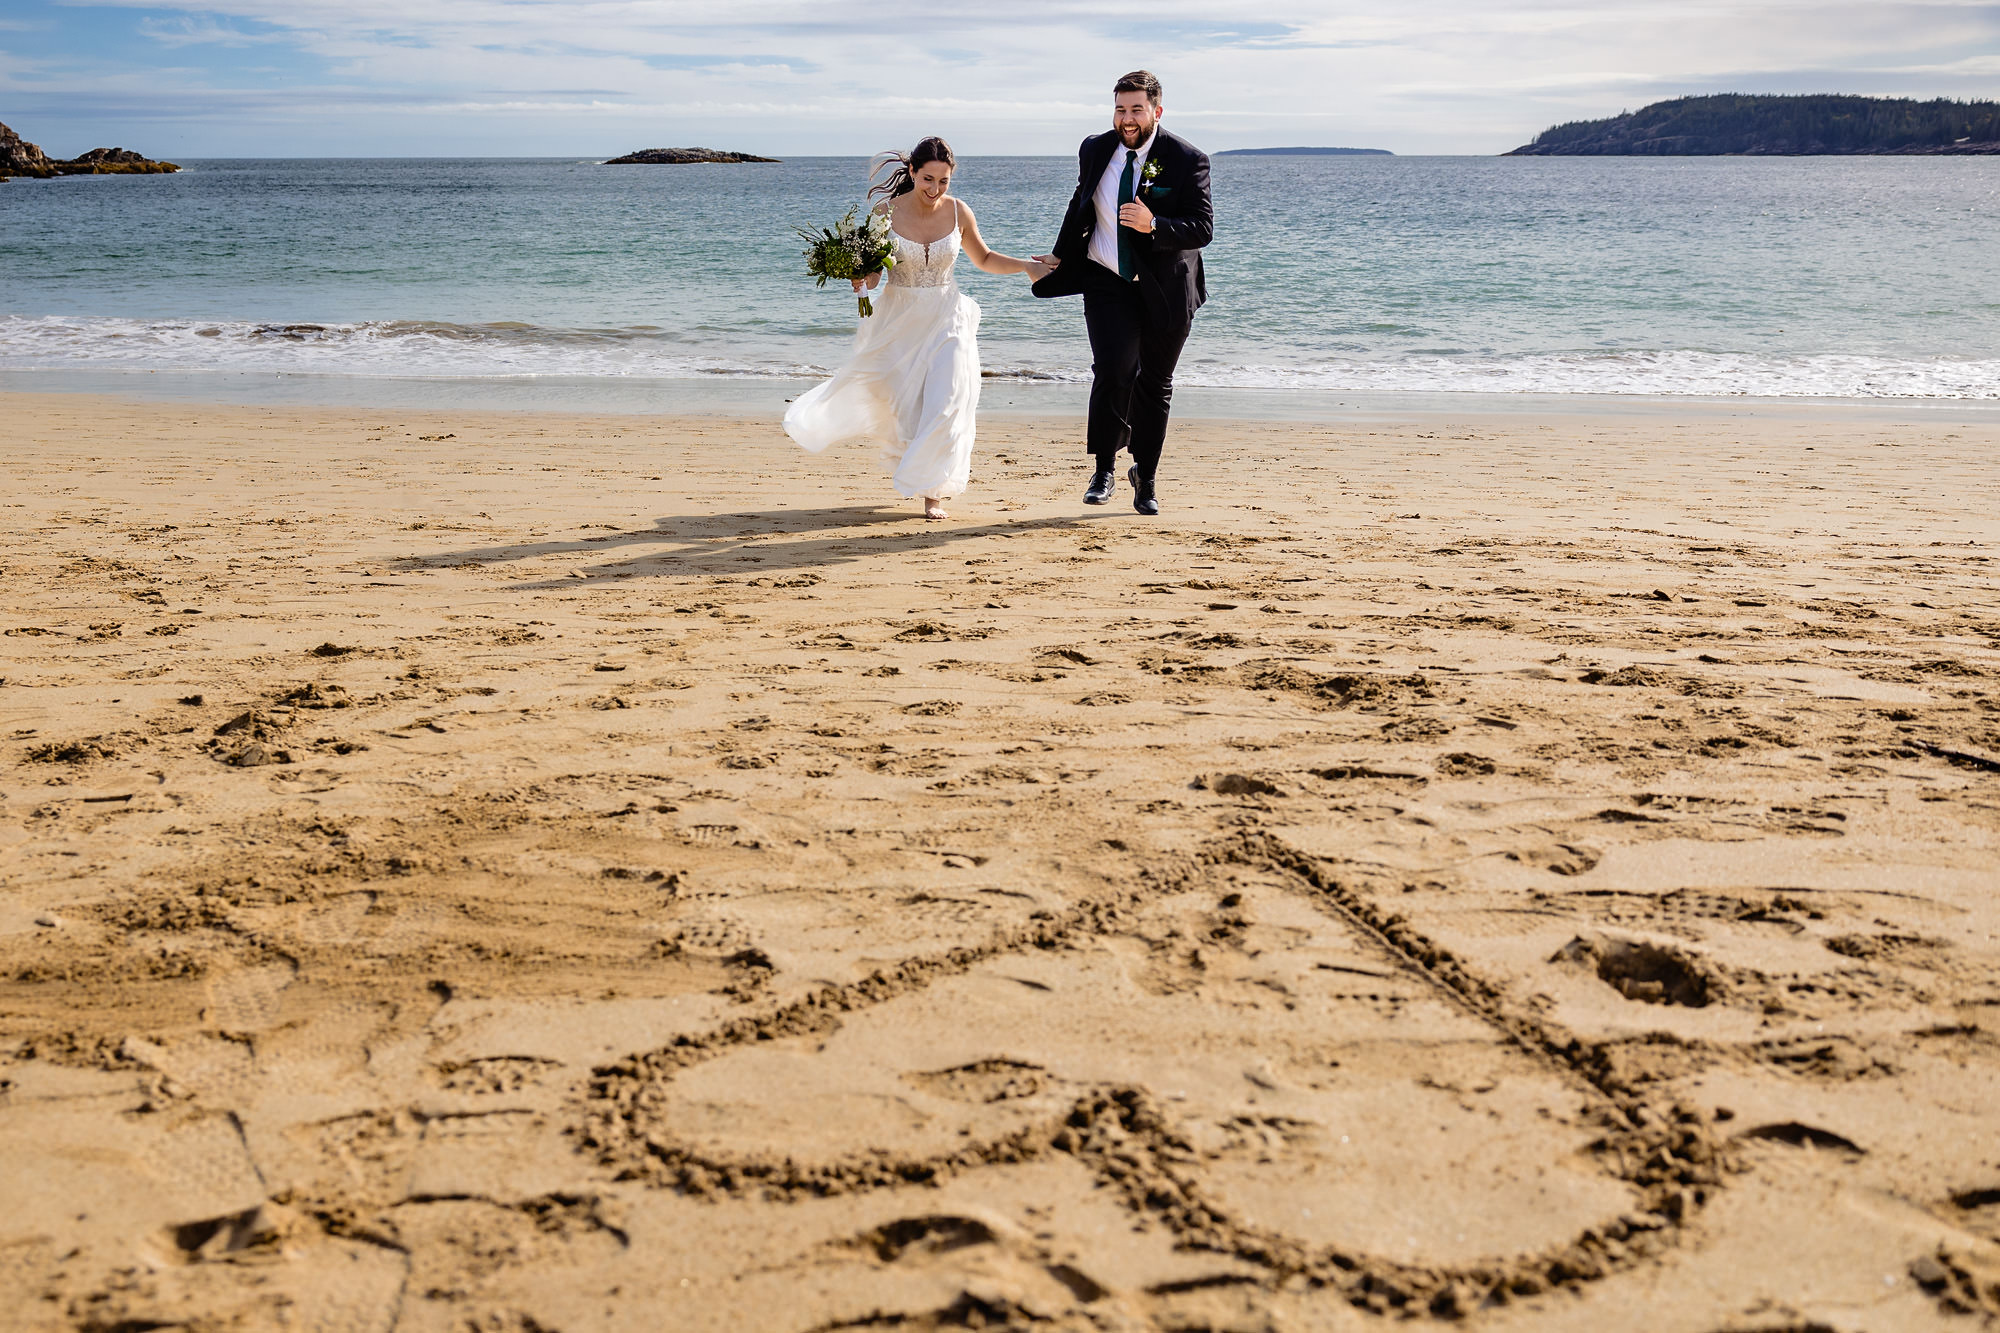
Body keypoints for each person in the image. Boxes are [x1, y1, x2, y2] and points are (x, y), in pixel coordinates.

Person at [784, 137, 1051, 520]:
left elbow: (985, 257)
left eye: (943, 181)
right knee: (907, 409)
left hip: (948, 315)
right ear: (912, 172)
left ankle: (933, 493)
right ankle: (921, 472)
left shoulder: (959, 212)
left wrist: (1026, 266)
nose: (935, 189)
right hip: (900, 319)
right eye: (928, 179)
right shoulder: (885, 213)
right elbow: (876, 274)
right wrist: (860, 279)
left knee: (949, 400)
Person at [1031, 70, 1212, 516]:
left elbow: (1202, 229)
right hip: (1106, 278)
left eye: (1136, 109)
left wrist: (1155, 225)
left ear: (1156, 111)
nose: (1127, 118)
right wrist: (1058, 256)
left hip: (1167, 288)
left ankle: (1145, 476)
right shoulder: (1095, 148)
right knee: (1112, 371)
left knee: (1155, 384)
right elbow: (1081, 201)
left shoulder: (1188, 158)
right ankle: (1104, 468)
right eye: (1120, 109)